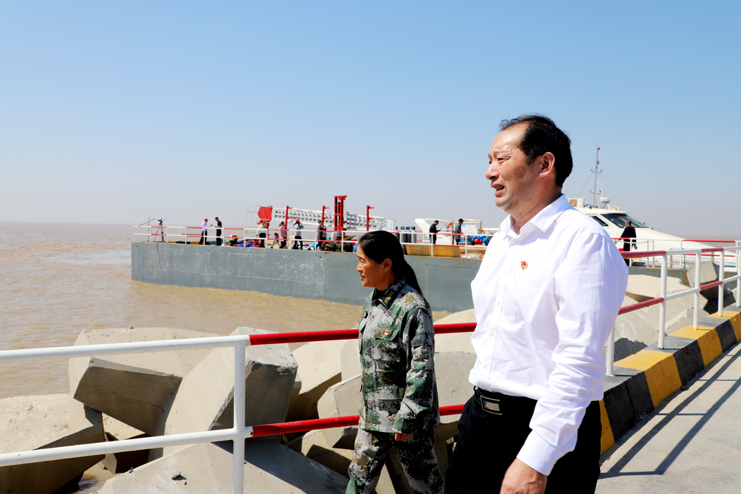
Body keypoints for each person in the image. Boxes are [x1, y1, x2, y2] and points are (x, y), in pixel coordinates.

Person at [444, 115, 628, 494]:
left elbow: (580, 359)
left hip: (542, 428)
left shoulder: (582, 241)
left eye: (501, 159)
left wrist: (536, 460)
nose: (489, 172)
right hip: (480, 421)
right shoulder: (502, 239)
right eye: (489, 161)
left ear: (544, 164)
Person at [348, 230, 444, 494]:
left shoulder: (413, 307)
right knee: (358, 481)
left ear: (386, 264)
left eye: (362, 261)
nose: (358, 268)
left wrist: (408, 417)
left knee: (425, 485)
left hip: (406, 420)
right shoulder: (373, 301)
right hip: (372, 418)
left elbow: (421, 368)